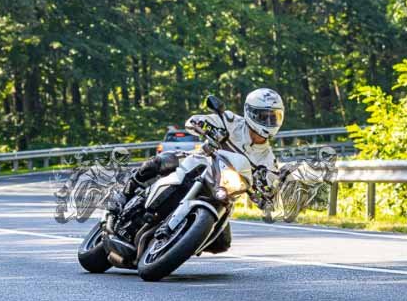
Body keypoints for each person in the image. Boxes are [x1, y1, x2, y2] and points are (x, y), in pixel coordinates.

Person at [110, 88, 285, 253]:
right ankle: (125, 193)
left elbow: (269, 192)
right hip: (198, 165)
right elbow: (194, 121)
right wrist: (202, 125)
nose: (269, 122)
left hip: (223, 193)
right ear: (250, 112)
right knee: (163, 161)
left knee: (222, 244)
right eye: (264, 116)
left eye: (274, 117)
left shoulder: (268, 159)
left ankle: (179, 242)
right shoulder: (230, 121)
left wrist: (267, 194)